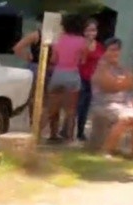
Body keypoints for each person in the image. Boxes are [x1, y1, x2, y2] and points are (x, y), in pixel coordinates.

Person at [91, 38, 133, 159]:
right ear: (105, 51)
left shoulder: (120, 68)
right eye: (112, 50)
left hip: (123, 104)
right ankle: (106, 150)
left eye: (117, 50)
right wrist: (124, 82)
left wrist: (122, 82)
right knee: (125, 119)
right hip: (105, 104)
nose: (115, 53)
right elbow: (111, 86)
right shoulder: (101, 67)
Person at [46, 14, 87, 142]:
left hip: (58, 74)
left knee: (53, 107)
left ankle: (53, 134)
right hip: (72, 74)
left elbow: (53, 59)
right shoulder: (82, 41)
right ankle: (69, 137)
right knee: (71, 110)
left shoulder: (58, 39)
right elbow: (83, 60)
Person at [13, 16, 51, 125]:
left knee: (45, 98)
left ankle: (39, 124)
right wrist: (27, 57)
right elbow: (17, 47)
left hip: (46, 66)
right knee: (35, 97)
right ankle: (33, 122)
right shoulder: (36, 35)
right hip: (37, 65)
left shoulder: (51, 36)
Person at [76, 19, 104, 141]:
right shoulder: (79, 44)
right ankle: (69, 130)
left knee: (87, 107)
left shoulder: (99, 46)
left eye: (93, 30)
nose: (91, 33)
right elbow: (78, 61)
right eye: (88, 30)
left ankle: (81, 131)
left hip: (92, 80)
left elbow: (102, 62)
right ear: (83, 31)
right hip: (79, 77)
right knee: (78, 105)